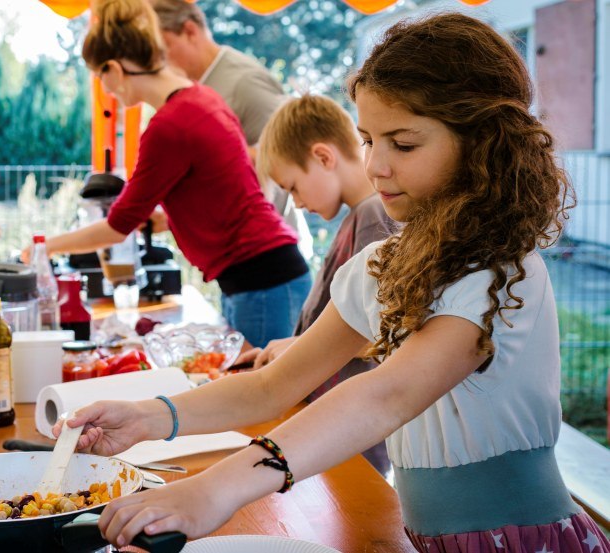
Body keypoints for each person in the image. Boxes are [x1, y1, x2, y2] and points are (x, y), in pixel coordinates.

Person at [57, 13, 610, 552]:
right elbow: (273, 386)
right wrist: (151, 416)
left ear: (482, 146)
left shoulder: (501, 272)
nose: (375, 166)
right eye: (370, 139)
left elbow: (384, 395)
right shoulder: (379, 266)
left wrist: (215, 488)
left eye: (404, 144)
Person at [24, 0, 311, 348]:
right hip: (265, 274)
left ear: (115, 68)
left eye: (100, 76)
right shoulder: (202, 98)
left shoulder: (168, 126)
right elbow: (219, 191)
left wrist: (44, 246)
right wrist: (170, 219)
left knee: (268, 398)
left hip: (261, 281)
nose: (106, 89)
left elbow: (118, 227)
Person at [233, 95, 397, 472]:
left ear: (324, 157)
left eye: (292, 187)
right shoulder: (361, 214)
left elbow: (385, 334)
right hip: (339, 425)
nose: (297, 203)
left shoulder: (373, 216)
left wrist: (298, 347)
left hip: (350, 431)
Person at [150, 0, 313, 261]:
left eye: (164, 49)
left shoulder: (243, 82)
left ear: (190, 31)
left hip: (270, 256)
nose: (158, 63)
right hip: (240, 257)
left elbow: (287, 157)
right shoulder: (195, 89)